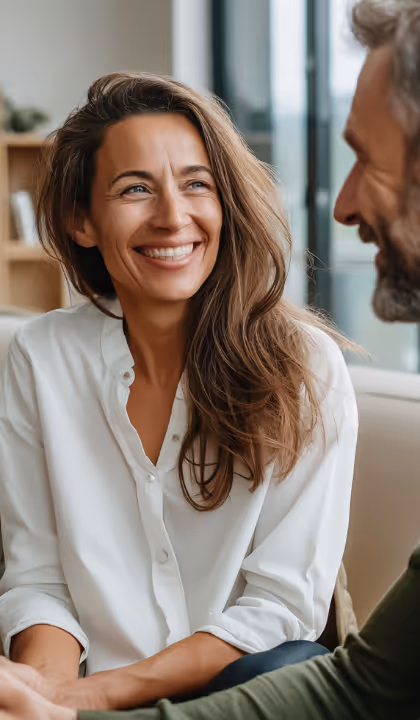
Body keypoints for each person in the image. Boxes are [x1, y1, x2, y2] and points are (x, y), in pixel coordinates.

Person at [3, 0, 420, 716]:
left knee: (287, 654)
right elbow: (38, 574)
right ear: (81, 220)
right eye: (135, 188)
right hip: (78, 695)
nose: (172, 216)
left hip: (252, 692)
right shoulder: (38, 358)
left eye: (196, 184)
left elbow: (282, 611)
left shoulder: (305, 367)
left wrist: (84, 702)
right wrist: (36, 693)